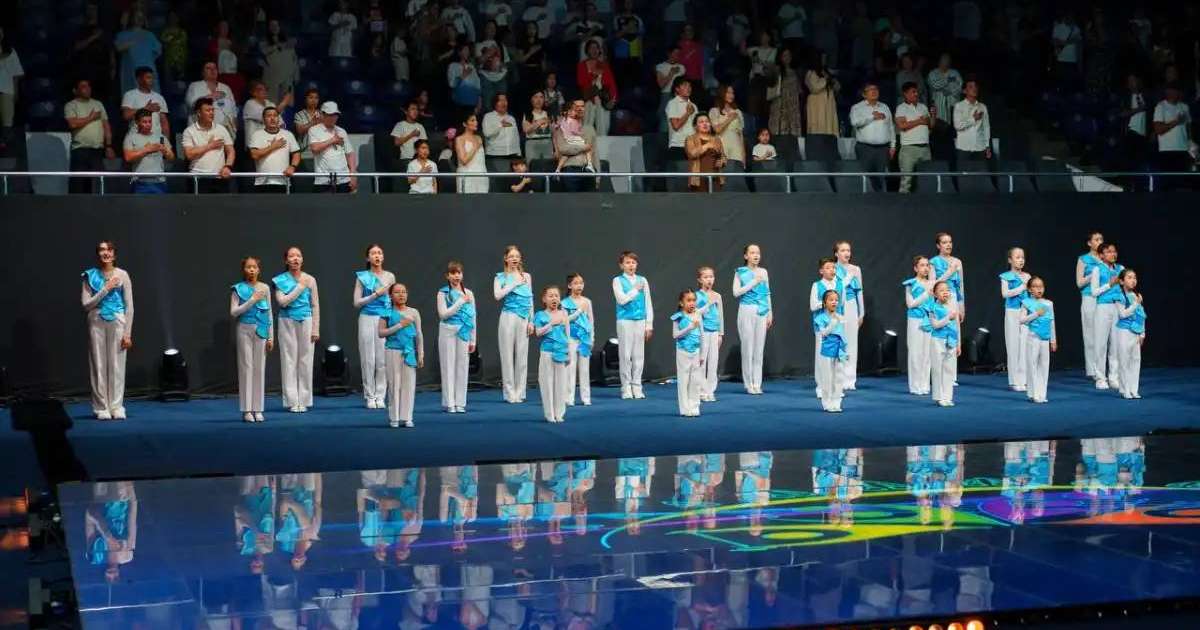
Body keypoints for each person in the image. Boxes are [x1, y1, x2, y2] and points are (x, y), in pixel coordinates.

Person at [81, 240, 134, 420]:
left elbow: (130, 306)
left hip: (118, 322)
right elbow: (86, 305)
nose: (106, 253)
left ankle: (116, 406)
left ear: (114, 254)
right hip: (96, 321)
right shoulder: (90, 276)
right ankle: (101, 406)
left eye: (109, 250)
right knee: (98, 364)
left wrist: (127, 333)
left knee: (117, 365)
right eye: (102, 250)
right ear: (98, 254)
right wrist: (105, 288)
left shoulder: (123, 274)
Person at [274, 247, 320, 413]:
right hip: (287, 321)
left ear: (302, 259)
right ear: (286, 260)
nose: (295, 259)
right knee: (289, 359)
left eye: (298, 256)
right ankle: (292, 400)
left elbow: (315, 305)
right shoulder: (280, 280)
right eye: (291, 256)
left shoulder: (310, 279)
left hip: (306, 320)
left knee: (306, 360)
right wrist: (300, 287)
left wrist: (315, 328)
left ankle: (305, 399)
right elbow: (282, 302)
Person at [230, 256, 273, 422]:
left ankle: (258, 409)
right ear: (244, 270)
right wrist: (252, 300)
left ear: (259, 270)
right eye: (248, 267)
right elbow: (234, 312)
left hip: (261, 330)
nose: (252, 270)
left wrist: (271, 337)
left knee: (259, 368)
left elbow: (269, 313)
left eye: (254, 267)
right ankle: (247, 409)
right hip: (244, 329)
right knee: (246, 368)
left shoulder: (265, 288)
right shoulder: (238, 289)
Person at [353, 245, 396, 410]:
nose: (377, 256)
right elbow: (356, 303)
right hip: (367, 317)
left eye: (379, 253)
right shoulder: (362, 277)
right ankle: (369, 396)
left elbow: (394, 300)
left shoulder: (390, 276)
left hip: (384, 318)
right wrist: (375, 295)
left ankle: (380, 395)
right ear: (367, 258)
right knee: (368, 359)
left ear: (383, 257)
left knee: (383, 359)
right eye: (373, 253)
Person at [380, 283, 424, 427]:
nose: (401, 295)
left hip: (409, 352)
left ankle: (407, 417)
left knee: (409, 385)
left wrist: (421, 353)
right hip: (393, 350)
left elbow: (418, 334)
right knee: (394, 384)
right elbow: (381, 333)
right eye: (397, 292)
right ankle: (394, 417)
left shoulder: (414, 312)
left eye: (404, 292)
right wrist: (400, 325)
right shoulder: (386, 312)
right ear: (391, 295)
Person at [494, 246, 534, 404]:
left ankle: (520, 392)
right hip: (508, 317)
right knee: (507, 355)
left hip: (523, 318)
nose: (514, 259)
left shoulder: (526, 276)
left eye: (517, 256)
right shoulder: (500, 277)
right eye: (511, 256)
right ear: (506, 258)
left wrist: (531, 321)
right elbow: (497, 295)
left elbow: (530, 299)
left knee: (522, 356)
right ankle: (509, 393)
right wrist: (513, 284)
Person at [613, 251, 654, 399]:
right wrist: (635, 290)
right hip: (625, 320)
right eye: (627, 262)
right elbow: (621, 300)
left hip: (640, 320)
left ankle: (637, 386)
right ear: (621, 265)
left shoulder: (643, 280)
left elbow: (648, 302)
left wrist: (649, 324)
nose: (631, 265)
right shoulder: (617, 280)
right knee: (625, 354)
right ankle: (626, 387)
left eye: (633, 262)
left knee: (638, 355)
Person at [437, 260, 477, 414]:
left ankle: (460, 402)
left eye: (459, 273)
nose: (456, 276)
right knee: (448, 365)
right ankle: (449, 403)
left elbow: (473, 316)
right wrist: (460, 302)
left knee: (462, 366)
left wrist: (473, 339)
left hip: (464, 330)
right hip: (447, 329)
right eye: (453, 273)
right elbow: (443, 314)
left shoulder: (469, 293)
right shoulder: (442, 293)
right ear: (447, 276)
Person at [733, 244, 772, 395]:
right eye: (752, 252)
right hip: (746, 309)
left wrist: (770, 312)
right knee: (747, 347)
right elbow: (736, 293)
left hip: (761, 310)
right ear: (746, 256)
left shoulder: (763, 272)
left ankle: (757, 383)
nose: (756, 255)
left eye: (758, 253)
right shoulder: (740, 272)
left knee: (758, 348)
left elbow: (767, 293)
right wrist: (753, 282)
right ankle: (748, 383)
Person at [65, 79, 115, 194]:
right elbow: (72, 124)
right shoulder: (71, 105)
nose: (88, 89)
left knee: (98, 184)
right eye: (83, 86)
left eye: (88, 86)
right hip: (80, 150)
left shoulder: (98, 104)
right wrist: (91, 117)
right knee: (78, 185)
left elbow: (106, 126)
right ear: (75, 90)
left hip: (97, 151)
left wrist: (108, 146)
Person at [1088, 242, 1124, 391]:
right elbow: (1094, 292)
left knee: (1116, 344)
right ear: (1101, 255)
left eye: (1114, 251)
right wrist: (1109, 284)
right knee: (1101, 344)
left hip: (1118, 307)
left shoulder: (1121, 269)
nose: (1113, 254)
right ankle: (1100, 378)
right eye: (1109, 252)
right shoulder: (1097, 269)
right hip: (1103, 307)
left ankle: (1114, 377)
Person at [931, 232, 965, 385]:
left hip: (953, 299)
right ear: (938, 245)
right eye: (944, 242)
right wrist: (949, 272)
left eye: (950, 242)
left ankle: (951, 375)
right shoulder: (933, 262)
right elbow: (933, 285)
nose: (948, 245)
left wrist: (961, 304)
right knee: (941, 334)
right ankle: (939, 374)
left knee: (954, 332)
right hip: (940, 300)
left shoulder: (957, 261)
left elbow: (960, 285)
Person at [181, 98, 235, 193]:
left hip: (220, 177)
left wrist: (228, 166)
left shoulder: (221, 129)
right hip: (198, 178)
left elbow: (230, 151)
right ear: (198, 113)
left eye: (212, 110)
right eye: (207, 110)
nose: (211, 113)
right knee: (199, 207)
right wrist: (209, 146)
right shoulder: (189, 131)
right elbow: (189, 155)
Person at [534, 285, 571, 423]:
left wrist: (569, 354)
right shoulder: (539, 315)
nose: (554, 298)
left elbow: (567, 334)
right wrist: (551, 324)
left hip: (561, 352)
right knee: (547, 383)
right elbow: (537, 332)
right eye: (550, 296)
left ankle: (559, 413)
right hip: (547, 352)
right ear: (544, 299)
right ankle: (549, 413)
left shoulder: (564, 314)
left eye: (556, 296)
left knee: (561, 384)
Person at [809, 257, 845, 397]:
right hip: (822, 325)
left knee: (837, 356)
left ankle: (836, 388)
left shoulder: (840, 285)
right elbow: (812, 306)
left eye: (833, 267)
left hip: (838, 325)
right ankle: (821, 387)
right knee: (822, 356)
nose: (832, 270)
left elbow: (842, 306)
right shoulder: (817, 285)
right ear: (821, 271)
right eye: (828, 267)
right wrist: (826, 303)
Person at [849, 83, 896, 190]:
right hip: (865, 148)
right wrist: (872, 117)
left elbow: (891, 128)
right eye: (870, 89)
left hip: (883, 149)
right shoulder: (857, 107)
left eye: (876, 89)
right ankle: (865, 203)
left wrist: (893, 146)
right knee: (866, 178)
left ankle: (882, 201)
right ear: (864, 94)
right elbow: (854, 122)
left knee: (882, 178)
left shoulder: (884, 107)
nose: (874, 91)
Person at [1019, 276, 1056, 405]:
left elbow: (1051, 322)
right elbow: (1022, 320)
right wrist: (1035, 314)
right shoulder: (1026, 302)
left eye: (1041, 286)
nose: (1039, 289)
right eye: (1035, 286)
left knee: (1044, 366)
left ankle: (1042, 393)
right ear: (1030, 289)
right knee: (1032, 364)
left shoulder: (1049, 303)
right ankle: (1033, 393)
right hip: (1033, 337)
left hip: (1045, 339)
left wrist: (1053, 340)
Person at [834, 241, 865, 391]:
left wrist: (862, 312)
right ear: (836, 253)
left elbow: (859, 291)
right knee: (840, 340)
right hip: (838, 306)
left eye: (848, 250)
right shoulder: (833, 268)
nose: (847, 253)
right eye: (843, 250)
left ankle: (850, 379)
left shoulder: (856, 269)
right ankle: (838, 376)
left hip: (852, 306)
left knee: (852, 342)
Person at [308, 101, 358, 193]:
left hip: (344, 179)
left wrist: (353, 174)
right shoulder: (314, 130)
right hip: (323, 181)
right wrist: (332, 140)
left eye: (335, 114)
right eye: (330, 114)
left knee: (344, 206)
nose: (333, 117)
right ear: (322, 114)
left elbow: (350, 153)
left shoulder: (342, 131)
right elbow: (314, 149)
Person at [999, 247, 1030, 392]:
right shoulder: (1005, 276)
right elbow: (1005, 294)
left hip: (1025, 311)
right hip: (1012, 311)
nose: (1021, 260)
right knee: (1013, 345)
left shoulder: (1028, 276)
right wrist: (1021, 288)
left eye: (1022, 257)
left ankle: (1023, 379)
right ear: (1010, 260)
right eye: (1017, 257)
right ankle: (1014, 380)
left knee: (1024, 344)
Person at [248, 107, 300, 193]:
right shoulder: (257, 134)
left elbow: (296, 154)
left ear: (278, 118)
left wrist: (292, 166)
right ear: (263, 119)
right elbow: (254, 155)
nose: (272, 118)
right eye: (269, 116)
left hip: (283, 181)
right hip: (263, 183)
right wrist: (273, 147)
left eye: (275, 116)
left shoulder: (288, 134)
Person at [123, 108, 175, 194]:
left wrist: (165, 151)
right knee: (141, 207)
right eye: (144, 122)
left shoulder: (160, 137)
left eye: (150, 121)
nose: (148, 124)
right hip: (140, 182)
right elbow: (128, 158)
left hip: (159, 181)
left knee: (160, 207)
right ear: (137, 122)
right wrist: (147, 150)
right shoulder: (130, 137)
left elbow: (171, 158)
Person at [1075, 231, 1105, 379]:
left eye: (1101, 239)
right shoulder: (1083, 259)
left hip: (1104, 299)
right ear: (1089, 243)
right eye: (1096, 239)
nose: (1099, 241)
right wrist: (1092, 275)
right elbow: (1079, 283)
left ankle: (1103, 369)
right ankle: (1092, 370)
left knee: (1104, 334)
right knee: (1090, 334)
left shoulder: (1105, 258)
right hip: (1089, 298)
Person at [904, 256, 934, 396]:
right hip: (915, 320)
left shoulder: (933, 284)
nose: (925, 268)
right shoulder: (911, 284)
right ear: (916, 268)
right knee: (915, 352)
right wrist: (925, 295)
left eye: (927, 265)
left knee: (927, 353)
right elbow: (910, 304)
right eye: (922, 265)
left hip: (928, 320)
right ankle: (915, 385)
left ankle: (924, 384)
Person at [813, 290, 847, 413]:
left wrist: (845, 350)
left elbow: (843, 335)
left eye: (836, 300)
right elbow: (823, 333)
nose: (834, 302)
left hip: (839, 350)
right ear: (825, 302)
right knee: (827, 378)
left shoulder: (841, 318)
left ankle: (837, 402)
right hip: (827, 350)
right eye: (831, 300)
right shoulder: (820, 318)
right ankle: (827, 402)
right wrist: (832, 324)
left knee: (838, 377)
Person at [895, 81, 932, 193]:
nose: (916, 94)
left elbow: (930, 125)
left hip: (925, 148)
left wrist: (933, 116)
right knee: (907, 181)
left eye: (916, 91)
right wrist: (919, 121)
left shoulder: (923, 107)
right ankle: (903, 206)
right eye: (913, 92)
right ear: (905, 94)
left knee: (926, 180)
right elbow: (902, 125)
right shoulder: (901, 108)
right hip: (909, 149)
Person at [184, 61, 238, 140]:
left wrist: (234, 131)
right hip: (201, 135)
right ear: (203, 72)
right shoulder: (195, 86)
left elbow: (234, 112)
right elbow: (192, 105)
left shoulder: (225, 88)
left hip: (223, 134)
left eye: (214, 68)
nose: (212, 70)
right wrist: (211, 96)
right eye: (208, 68)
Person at [671, 289, 704, 417]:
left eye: (694, 300)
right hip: (683, 351)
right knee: (683, 380)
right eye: (688, 300)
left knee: (695, 380)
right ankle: (685, 408)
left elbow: (702, 336)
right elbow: (675, 335)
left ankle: (694, 406)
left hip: (695, 351)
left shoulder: (698, 315)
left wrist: (702, 354)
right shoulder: (678, 317)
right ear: (681, 303)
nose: (692, 303)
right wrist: (689, 327)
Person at [928, 281, 960, 408]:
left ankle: (948, 396)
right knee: (937, 369)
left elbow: (956, 326)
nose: (945, 292)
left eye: (947, 290)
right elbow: (935, 325)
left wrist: (958, 344)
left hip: (951, 340)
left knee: (949, 369)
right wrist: (948, 318)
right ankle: (939, 396)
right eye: (941, 290)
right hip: (938, 341)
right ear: (935, 294)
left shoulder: (953, 307)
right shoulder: (932, 308)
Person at [563, 273, 594, 407]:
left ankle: (586, 398)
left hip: (584, 339)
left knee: (585, 369)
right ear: (569, 285)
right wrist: (576, 313)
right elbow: (564, 321)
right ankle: (569, 397)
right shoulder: (564, 303)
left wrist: (592, 337)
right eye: (575, 283)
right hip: (571, 338)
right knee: (570, 368)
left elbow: (591, 321)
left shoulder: (587, 301)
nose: (579, 286)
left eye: (581, 283)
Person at [553, 99, 597, 192]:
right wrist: (583, 147)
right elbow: (563, 149)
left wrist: (598, 176)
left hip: (588, 171)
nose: (580, 109)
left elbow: (595, 153)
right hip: (570, 170)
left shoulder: (589, 129)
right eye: (577, 107)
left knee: (591, 203)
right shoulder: (561, 127)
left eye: (582, 106)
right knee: (571, 203)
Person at [1114, 270, 1146, 400]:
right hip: (1124, 331)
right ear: (1122, 281)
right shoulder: (1119, 295)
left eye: (1135, 277)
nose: (1133, 280)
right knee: (1124, 360)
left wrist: (1142, 333)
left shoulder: (1136, 295)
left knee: (1135, 360)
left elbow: (1141, 315)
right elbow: (1122, 314)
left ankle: (1134, 389)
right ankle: (1125, 389)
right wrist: (1135, 304)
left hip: (1135, 332)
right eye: (1129, 277)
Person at [694, 267, 723, 402]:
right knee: (702, 361)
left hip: (714, 331)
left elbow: (720, 316)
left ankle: (710, 390)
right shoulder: (697, 296)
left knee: (713, 362)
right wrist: (707, 305)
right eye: (706, 277)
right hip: (703, 331)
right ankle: (701, 390)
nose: (709, 280)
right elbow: (696, 313)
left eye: (711, 277)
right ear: (700, 280)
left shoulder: (717, 296)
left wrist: (720, 333)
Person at [114, 12, 160, 96]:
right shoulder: (123, 34)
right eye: (137, 16)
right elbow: (118, 48)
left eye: (142, 17)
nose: (140, 19)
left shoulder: (150, 35)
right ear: (131, 18)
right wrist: (130, 43)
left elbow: (158, 51)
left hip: (148, 71)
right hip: (131, 72)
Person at [577, 40, 617, 137]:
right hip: (588, 100)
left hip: (603, 100)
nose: (594, 50)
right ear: (587, 51)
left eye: (596, 48)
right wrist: (594, 77)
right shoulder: (581, 65)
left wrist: (613, 99)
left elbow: (611, 84)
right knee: (586, 129)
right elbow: (581, 83)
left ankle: (602, 150)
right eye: (592, 48)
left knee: (603, 129)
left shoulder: (604, 65)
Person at [1152, 84, 1192, 180]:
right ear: (1166, 92)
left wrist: (1191, 145)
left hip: (1183, 150)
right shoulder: (1160, 106)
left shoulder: (1185, 107)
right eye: (1171, 90)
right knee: (1168, 183)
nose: (1174, 93)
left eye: (1176, 90)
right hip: (1167, 151)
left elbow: (1188, 129)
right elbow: (1158, 130)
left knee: (1183, 183)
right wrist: (1176, 122)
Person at [121, 67, 169, 142]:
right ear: (139, 79)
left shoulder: (159, 97)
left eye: (152, 78)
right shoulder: (130, 95)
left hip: (156, 142)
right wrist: (145, 108)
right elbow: (126, 115)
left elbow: (164, 123)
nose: (152, 81)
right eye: (148, 78)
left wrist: (165, 143)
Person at [953, 78, 991, 163]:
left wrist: (987, 146)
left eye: (976, 86)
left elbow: (986, 127)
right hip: (964, 148)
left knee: (981, 175)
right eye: (971, 87)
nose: (974, 89)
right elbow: (958, 126)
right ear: (964, 91)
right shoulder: (959, 106)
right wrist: (973, 119)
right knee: (964, 175)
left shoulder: (983, 107)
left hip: (980, 148)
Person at [260, 20, 298, 103]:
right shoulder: (264, 42)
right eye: (272, 25)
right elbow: (264, 51)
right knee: (271, 104)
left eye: (276, 25)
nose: (274, 28)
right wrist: (277, 46)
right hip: (271, 79)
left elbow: (294, 59)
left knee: (287, 105)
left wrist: (296, 75)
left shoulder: (289, 43)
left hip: (286, 78)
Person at [685, 114, 726, 191]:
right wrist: (706, 145)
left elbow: (723, 157)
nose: (705, 124)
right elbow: (692, 154)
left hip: (715, 178)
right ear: (695, 126)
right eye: (701, 122)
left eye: (707, 121)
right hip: (698, 179)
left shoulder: (717, 139)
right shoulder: (690, 139)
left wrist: (722, 162)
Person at [767, 48, 803, 136]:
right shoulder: (776, 70)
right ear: (780, 57)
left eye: (789, 55)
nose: (787, 58)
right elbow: (771, 83)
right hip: (780, 103)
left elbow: (799, 89)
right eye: (784, 56)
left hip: (792, 104)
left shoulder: (795, 72)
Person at [243, 81, 291, 146]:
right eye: (260, 89)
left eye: (265, 89)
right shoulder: (250, 104)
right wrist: (284, 103)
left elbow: (281, 124)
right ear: (252, 92)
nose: (264, 91)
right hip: (255, 144)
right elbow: (269, 115)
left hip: (272, 143)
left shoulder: (270, 104)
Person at [804, 51, 840, 136]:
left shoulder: (826, 72)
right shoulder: (811, 73)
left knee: (829, 127)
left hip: (828, 104)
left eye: (826, 58)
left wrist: (832, 80)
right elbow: (814, 87)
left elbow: (837, 87)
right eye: (823, 58)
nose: (825, 60)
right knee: (819, 127)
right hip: (817, 105)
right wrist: (826, 79)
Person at [709, 85, 745, 167]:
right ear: (722, 93)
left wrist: (743, 157)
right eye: (728, 92)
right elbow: (717, 130)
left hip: (736, 147)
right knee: (723, 176)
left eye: (733, 93)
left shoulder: (738, 112)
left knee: (737, 177)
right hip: (722, 146)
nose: (731, 95)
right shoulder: (714, 111)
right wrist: (730, 119)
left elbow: (741, 135)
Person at [454, 113, 488, 193]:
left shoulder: (479, 137)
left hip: (481, 175)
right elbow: (464, 160)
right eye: (472, 120)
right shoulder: (460, 139)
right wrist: (475, 146)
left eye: (476, 120)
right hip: (466, 176)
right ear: (464, 124)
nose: (476, 122)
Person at [665, 77, 696, 160]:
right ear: (677, 89)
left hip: (693, 146)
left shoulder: (694, 105)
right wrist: (688, 113)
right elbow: (676, 126)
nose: (688, 88)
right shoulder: (673, 103)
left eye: (689, 86)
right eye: (685, 86)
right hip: (678, 146)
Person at [927, 54, 962, 126]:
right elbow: (935, 85)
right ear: (939, 62)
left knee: (954, 129)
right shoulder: (933, 73)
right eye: (943, 61)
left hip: (953, 106)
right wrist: (948, 80)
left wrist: (948, 91)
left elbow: (959, 86)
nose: (945, 63)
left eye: (947, 61)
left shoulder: (955, 72)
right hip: (938, 107)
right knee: (939, 127)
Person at [656, 46, 687, 128]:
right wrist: (671, 73)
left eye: (678, 54)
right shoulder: (660, 66)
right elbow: (661, 85)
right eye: (675, 53)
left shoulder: (682, 67)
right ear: (669, 53)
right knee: (665, 119)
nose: (677, 55)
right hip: (666, 94)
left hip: (679, 96)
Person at [482, 93, 521, 159]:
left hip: (512, 154)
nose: (504, 103)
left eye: (505, 100)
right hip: (495, 154)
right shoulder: (488, 116)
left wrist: (519, 153)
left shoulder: (511, 118)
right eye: (500, 100)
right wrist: (500, 125)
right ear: (495, 103)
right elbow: (487, 133)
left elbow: (516, 136)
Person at [448, 44, 481, 116]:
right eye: (465, 50)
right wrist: (463, 75)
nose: (467, 52)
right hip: (459, 103)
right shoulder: (453, 66)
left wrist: (479, 103)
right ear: (459, 52)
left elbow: (478, 85)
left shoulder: (471, 66)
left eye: (468, 50)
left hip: (472, 103)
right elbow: (451, 84)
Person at [522, 91, 553, 160]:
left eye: (541, 97)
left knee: (548, 167)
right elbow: (526, 130)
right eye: (536, 97)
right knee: (533, 167)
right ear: (531, 99)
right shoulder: (528, 114)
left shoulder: (548, 114)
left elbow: (554, 133)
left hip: (547, 143)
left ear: (544, 99)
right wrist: (539, 122)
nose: (538, 100)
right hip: (532, 143)